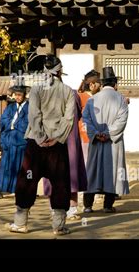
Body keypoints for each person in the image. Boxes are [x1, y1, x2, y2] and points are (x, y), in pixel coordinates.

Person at [8, 54, 74, 236]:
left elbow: (34, 115)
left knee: (27, 180)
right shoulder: (68, 91)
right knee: (60, 183)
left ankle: (20, 223)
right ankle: (58, 226)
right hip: (57, 146)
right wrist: (57, 137)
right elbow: (69, 119)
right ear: (60, 71)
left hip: (35, 145)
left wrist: (39, 137)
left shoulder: (36, 89)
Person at [82, 67, 129, 213]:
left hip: (96, 141)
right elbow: (122, 120)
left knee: (92, 170)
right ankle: (108, 205)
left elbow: (86, 119)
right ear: (115, 84)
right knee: (113, 171)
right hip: (113, 142)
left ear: (102, 84)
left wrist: (96, 133)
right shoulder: (121, 99)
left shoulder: (93, 99)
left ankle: (88, 206)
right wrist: (109, 134)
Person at [43, 89, 87, 220]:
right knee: (71, 172)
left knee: (53, 172)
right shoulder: (73, 94)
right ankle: (71, 209)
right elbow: (78, 115)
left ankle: (54, 209)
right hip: (70, 140)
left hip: (52, 139)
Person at [0, 80, 29, 200]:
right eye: (16, 94)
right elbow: (3, 121)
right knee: (4, 167)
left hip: (21, 143)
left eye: (20, 95)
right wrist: (12, 125)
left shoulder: (29, 107)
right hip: (9, 142)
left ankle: (22, 190)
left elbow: (27, 123)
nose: (17, 97)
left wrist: (14, 125)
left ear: (24, 95)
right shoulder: (10, 107)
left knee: (21, 168)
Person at [78, 70, 102, 164]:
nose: (101, 85)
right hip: (85, 135)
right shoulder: (81, 97)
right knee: (87, 163)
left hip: (96, 135)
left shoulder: (97, 97)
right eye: (99, 83)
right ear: (92, 85)